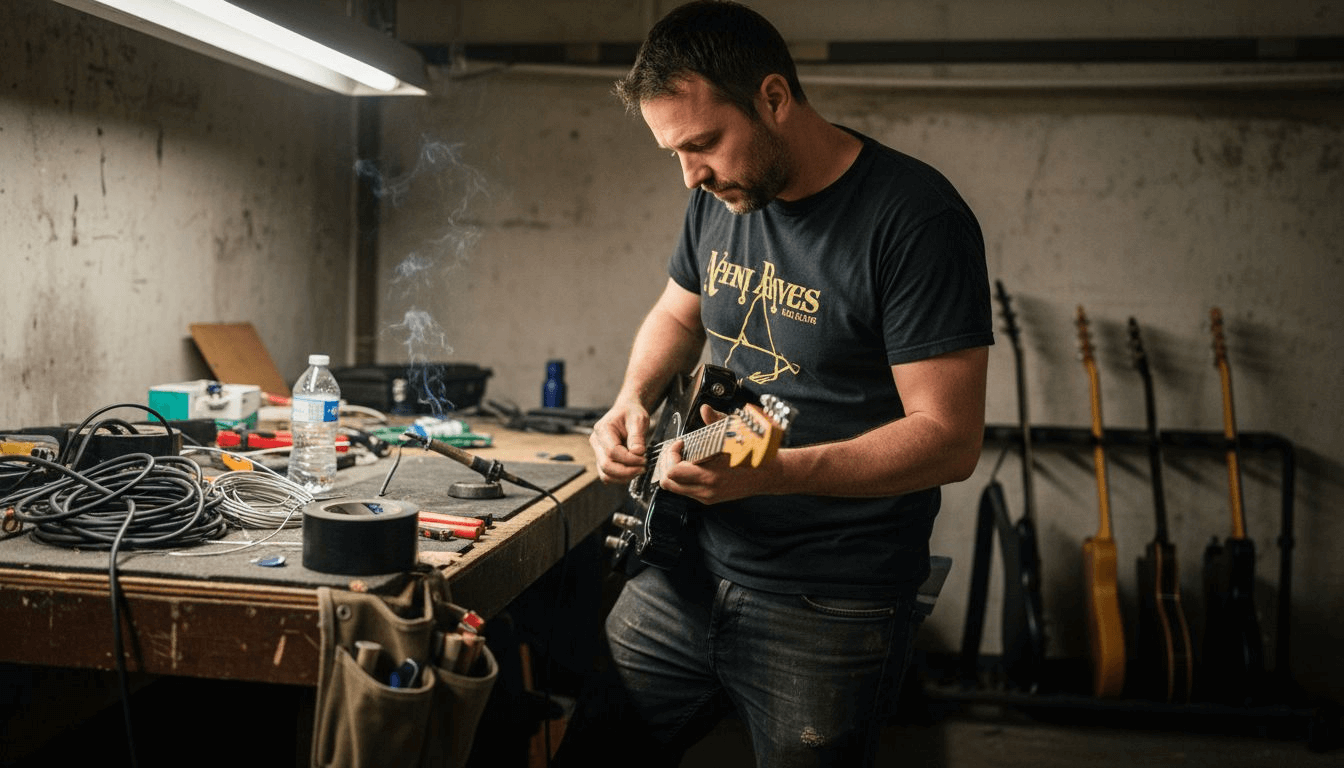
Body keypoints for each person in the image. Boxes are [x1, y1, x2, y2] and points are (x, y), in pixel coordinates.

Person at [565, 2, 993, 766]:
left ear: (773, 98)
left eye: (703, 144)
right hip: (684, 568)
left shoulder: (915, 219)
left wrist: (776, 473)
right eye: (675, 153)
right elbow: (677, 311)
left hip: (830, 601)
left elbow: (948, 440)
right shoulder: (714, 197)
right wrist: (631, 398)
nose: (691, 173)